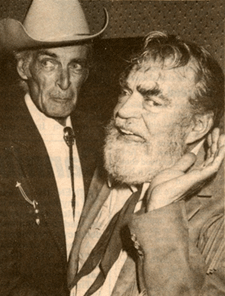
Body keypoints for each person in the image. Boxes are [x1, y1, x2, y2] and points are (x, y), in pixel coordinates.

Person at [67, 32, 225, 295]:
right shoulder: (118, 158)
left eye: (152, 101)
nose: (122, 112)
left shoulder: (218, 209)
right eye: (126, 92)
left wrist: (162, 210)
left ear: (197, 125)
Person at [0, 0, 108, 295]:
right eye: (49, 63)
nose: (64, 82)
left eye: (75, 65)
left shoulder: (100, 139)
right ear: (24, 67)